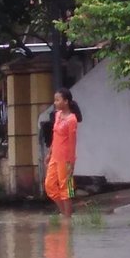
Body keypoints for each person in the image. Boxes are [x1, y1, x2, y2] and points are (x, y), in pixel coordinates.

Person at [44, 88, 81, 217]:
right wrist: (49, 153)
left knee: (67, 189)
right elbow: (55, 137)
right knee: (49, 186)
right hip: (55, 156)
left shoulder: (72, 120)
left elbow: (72, 142)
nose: (55, 103)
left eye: (57, 100)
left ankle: (67, 217)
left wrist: (71, 163)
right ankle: (64, 212)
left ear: (66, 101)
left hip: (66, 158)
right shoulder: (58, 115)